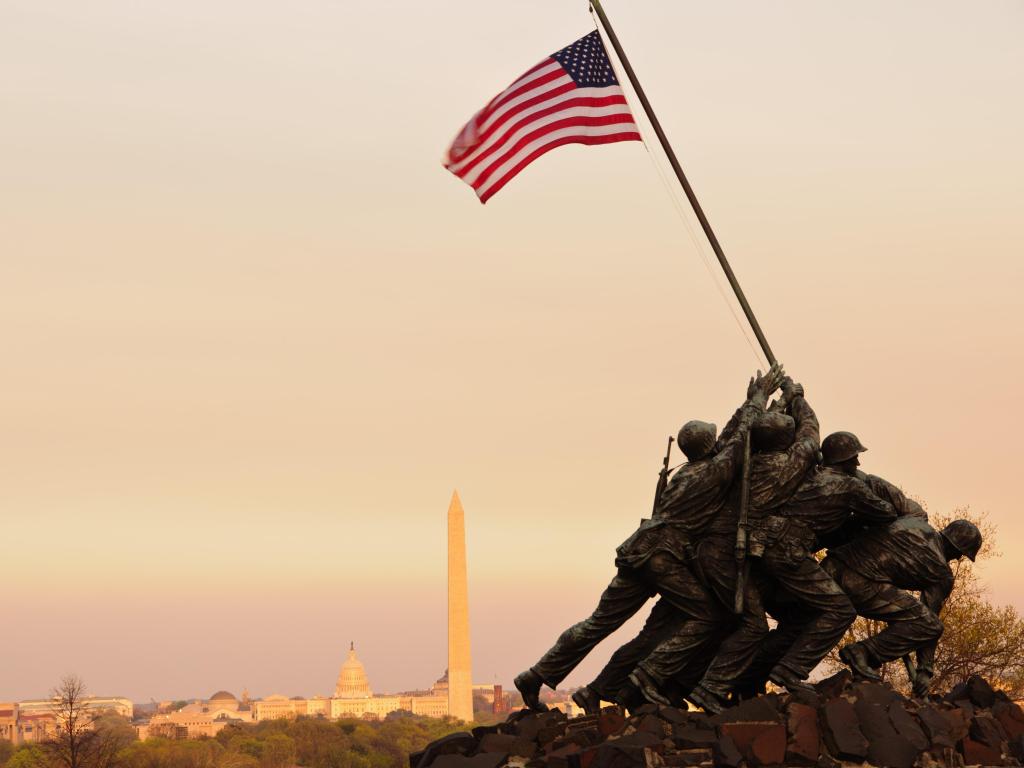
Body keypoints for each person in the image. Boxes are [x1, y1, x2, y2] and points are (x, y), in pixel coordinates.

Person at [512, 364, 784, 711]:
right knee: (707, 615)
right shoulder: (714, 472)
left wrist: (752, 401)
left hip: (639, 548)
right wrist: (759, 398)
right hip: (663, 556)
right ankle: (648, 675)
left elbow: (731, 438)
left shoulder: (689, 471)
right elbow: (740, 439)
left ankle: (536, 674)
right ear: (707, 446)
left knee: (598, 623)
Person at [825, 516, 981, 695]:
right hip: (859, 583)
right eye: (962, 553)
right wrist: (924, 671)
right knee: (930, 625)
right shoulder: (942, 573)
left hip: (831, 566)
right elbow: (929, 622)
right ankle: (862, 652)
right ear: (956, 547)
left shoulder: (914, 522)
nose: (959, 557)